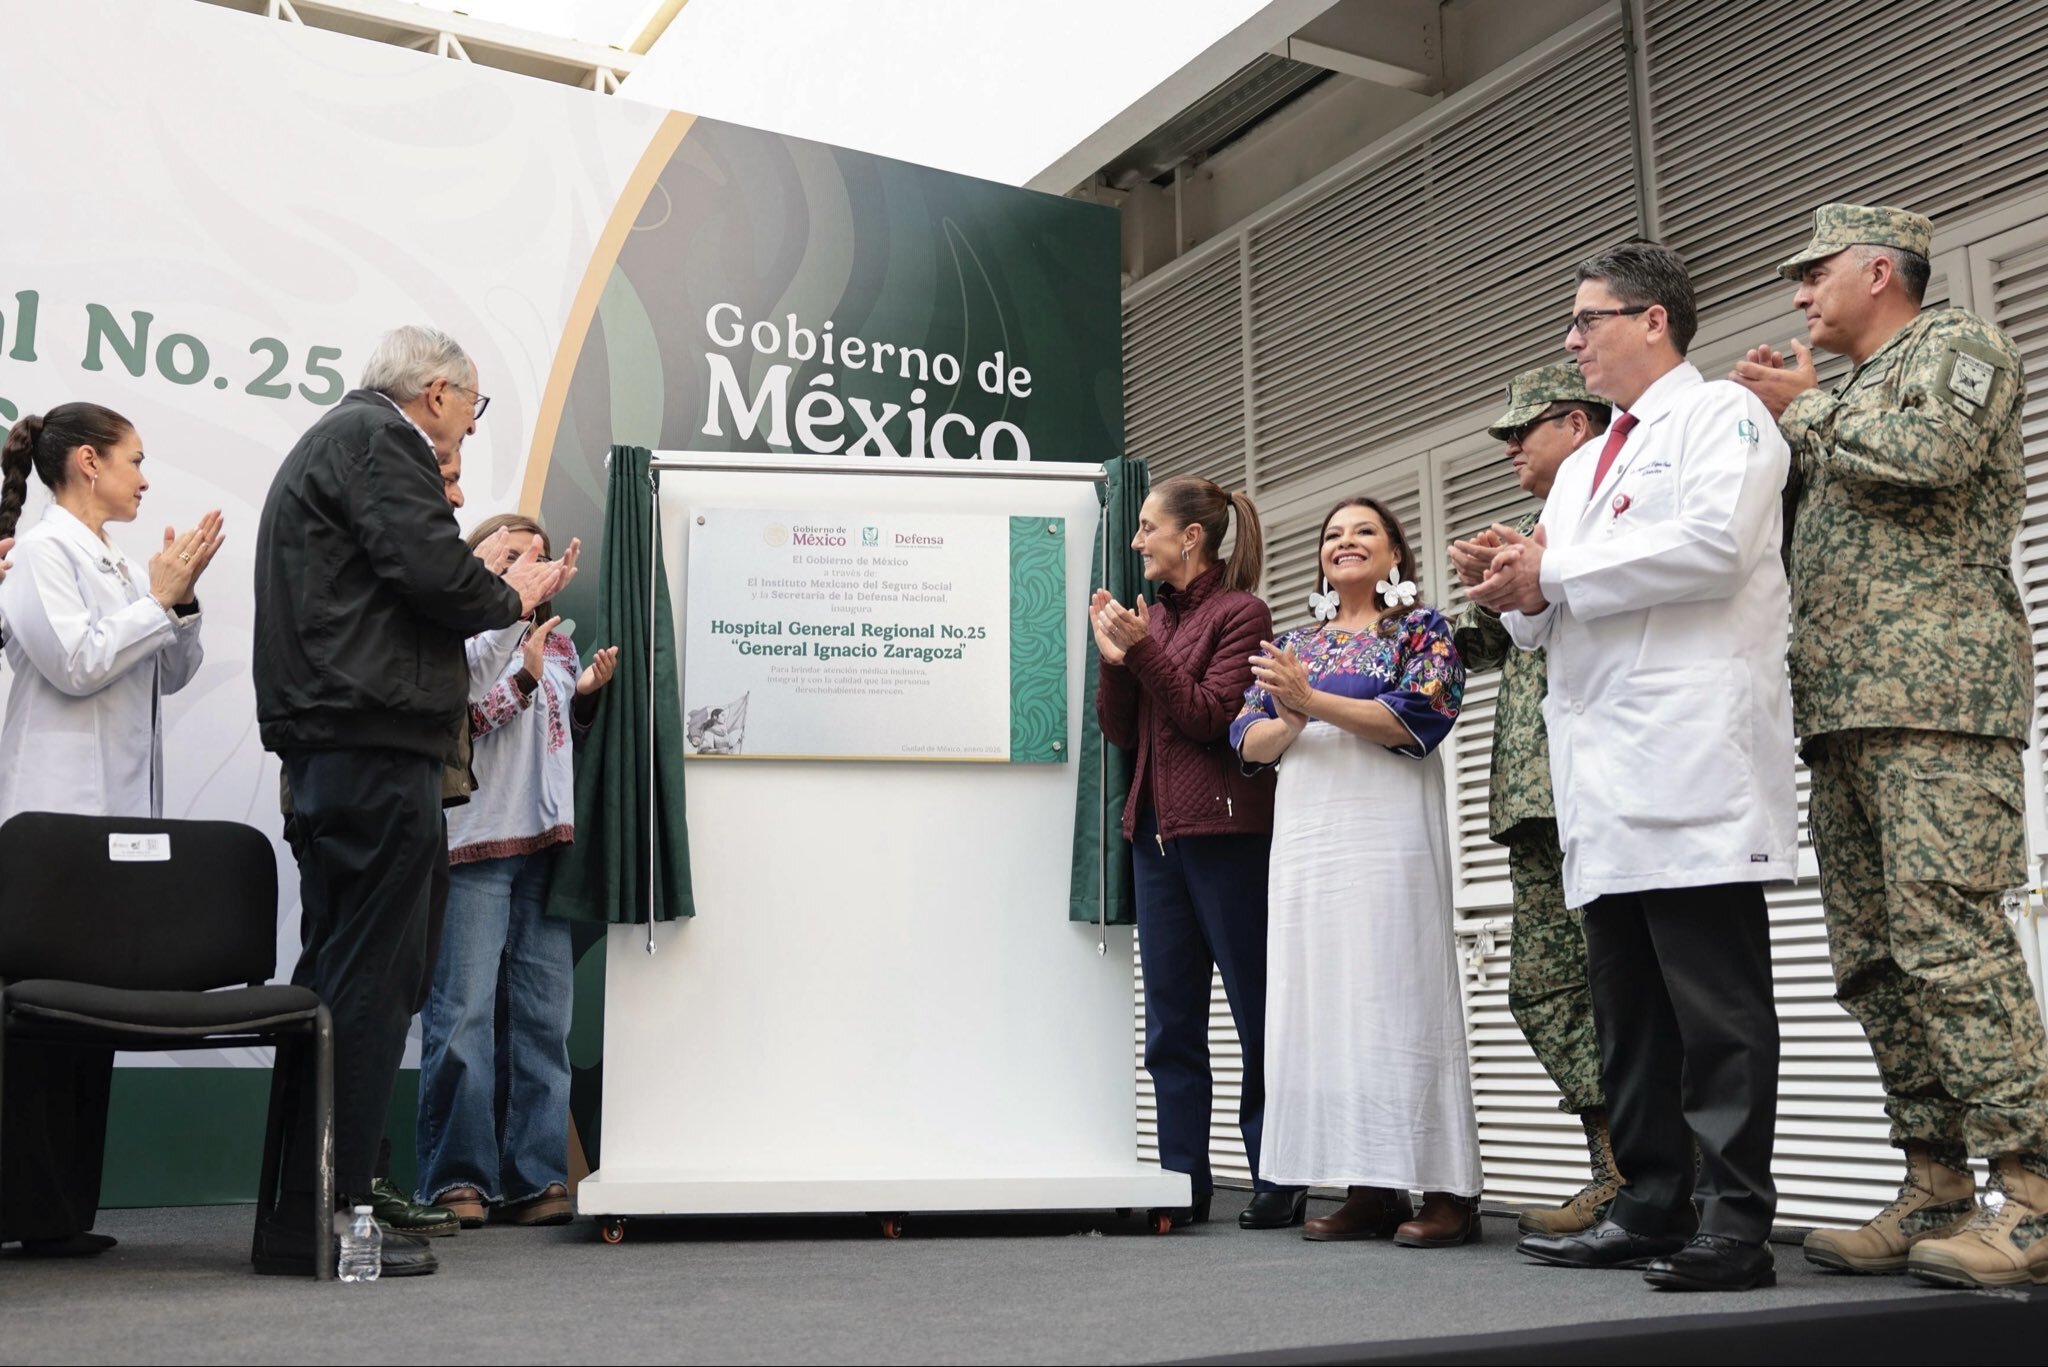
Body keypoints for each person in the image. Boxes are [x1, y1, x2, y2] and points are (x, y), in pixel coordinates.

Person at [1466, 241, 1796, 1292]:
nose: (1570, 342)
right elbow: (1543, 613)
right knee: (1629, 1006)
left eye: (1585, 320)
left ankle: (1732, 1218)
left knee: (1715, 1003)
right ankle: (1648, 1199)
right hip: (1600, 775)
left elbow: (1713, 545)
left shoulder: (1723, 419)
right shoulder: (1591, 460)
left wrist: (1550, 566)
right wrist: (1508, 580)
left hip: (1688, 757)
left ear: (1651, 319)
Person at [1732, 203, 2048, 1289]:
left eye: (1811, 273)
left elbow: (1928, 456)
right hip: (1839, 711)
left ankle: (2037, 1195)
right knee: (1872, 962)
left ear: (1878, 269)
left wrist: (1802, 409)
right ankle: (1934, 1186)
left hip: (1936, 700)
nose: (1798, 295)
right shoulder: (1831, 402)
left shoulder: (1956, 345)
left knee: (1950, 941)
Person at [251, 326, 575, 1278]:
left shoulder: (337, 442)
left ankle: (297, 1212)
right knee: (368, 983)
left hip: (341, 748)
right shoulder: (380, 438)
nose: (461, 446)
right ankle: (331, 1213)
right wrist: (508, 592)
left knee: (334, 983)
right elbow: (435, 575)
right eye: (469, 420)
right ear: (438, 393)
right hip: (372, 747)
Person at [0, 402, 223, 1259]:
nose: (145, 476)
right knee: (41, 1019)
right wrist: (156, 601)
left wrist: (180, 595)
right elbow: (78, 662)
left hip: (113, 825)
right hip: (54, 824)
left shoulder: (122, 565)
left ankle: (61, 1213)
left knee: (89, 1019)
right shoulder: (41, 555)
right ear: (86, 462)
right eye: (135, 459)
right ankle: (28, 1206)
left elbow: (170, 669)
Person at [1234, 496, 1480, 1246]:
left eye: (1364, 531)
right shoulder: (1294, 642)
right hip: (1311, 841)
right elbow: (1249, 740)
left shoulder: (1421, 630)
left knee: (1401, 995)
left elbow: (1421, 719)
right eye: (1333, 534)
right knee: (1334, 1000)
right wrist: (1291, 718)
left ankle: (1447, 1189)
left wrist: (1311, 703)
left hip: (1389, 835)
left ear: (1396, 553)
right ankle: (1370, 1186)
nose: (1346, 542)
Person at [1090, 474, 1301, 1229]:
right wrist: (1116, 659)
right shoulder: (1156, 618)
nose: (1138, 539)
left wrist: (1144, 652)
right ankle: (1181, 1182)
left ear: (1191, 537)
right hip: (1157, 841)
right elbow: (1122, 730)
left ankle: (1277, 1171)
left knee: (1255, 1014)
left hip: (1226, 839)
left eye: (1148, 527)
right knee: (1172, 1025)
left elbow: (1211, 717)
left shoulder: (1241, 613)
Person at [1447, 363, 1620, 1237]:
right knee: (1545, 988)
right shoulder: (1531, 531)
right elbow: (1474, 640)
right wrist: (1480, 578)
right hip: (1532, 800)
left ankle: (1664, 1171)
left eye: (1528, 428)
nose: (1512, 446)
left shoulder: (1615, 519)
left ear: (1580, 425)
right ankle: (1618, 1161)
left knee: (1632, 991)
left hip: (1606, 791)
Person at [417, 513, 617, 1229]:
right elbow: (457, 724)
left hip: (544, 846)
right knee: (463, 1014)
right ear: (473, 564)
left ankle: (535, 1177)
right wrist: (526, 679)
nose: (530, 564)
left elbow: (554, 736)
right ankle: (456, 1178)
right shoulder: (456, 634)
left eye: (538, 555)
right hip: (476, 839)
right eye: (510, 554)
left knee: (541, 1018)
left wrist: (580, 693)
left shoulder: (556, 638)